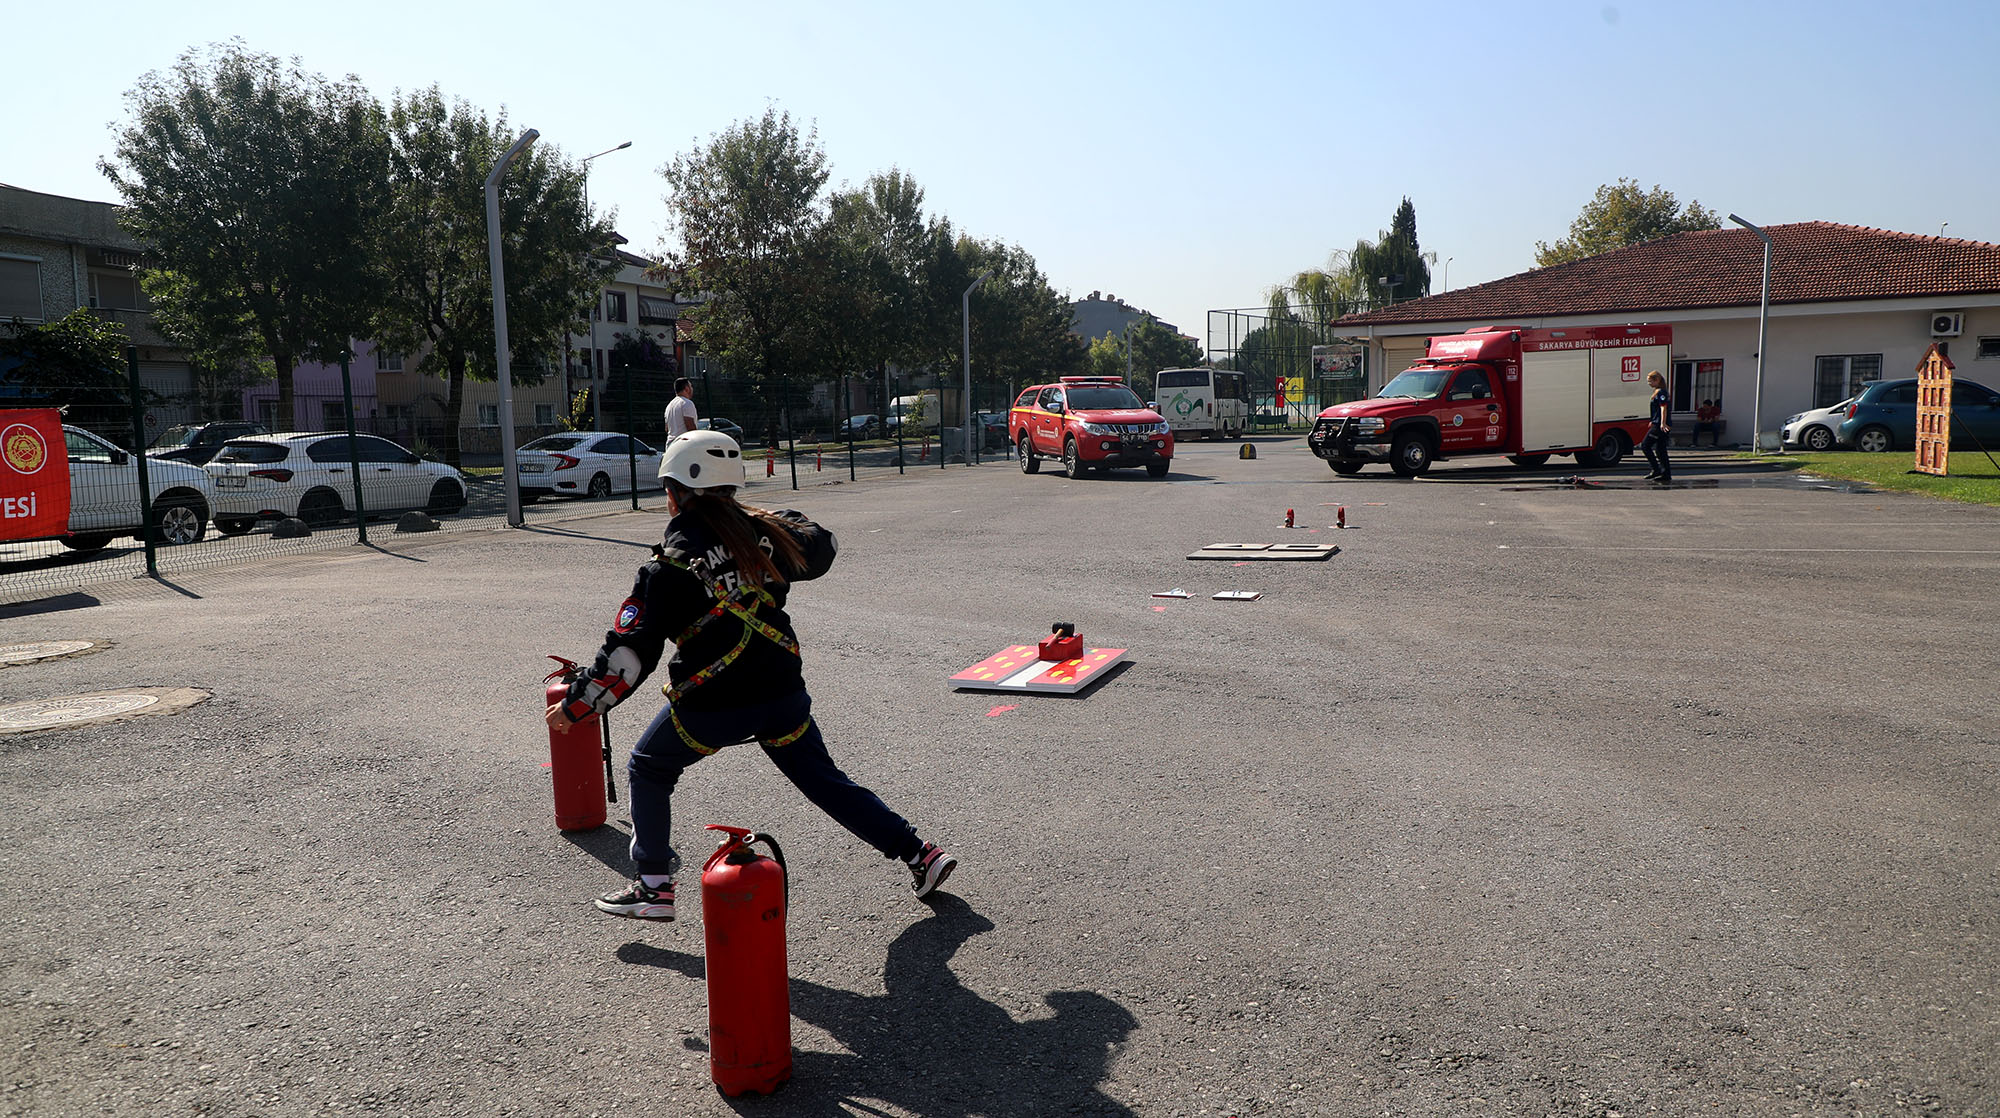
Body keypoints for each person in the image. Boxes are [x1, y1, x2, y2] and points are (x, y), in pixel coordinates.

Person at [546, 431, 956, 921]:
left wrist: (578, 703)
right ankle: (920, 854)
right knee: (823, 780)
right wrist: (766, 521)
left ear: (675, 492)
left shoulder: (667, 566)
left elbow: (628, 657)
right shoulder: (766, 536)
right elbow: (823, 545)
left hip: (712, 703)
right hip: (780, 691)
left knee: (650, 767)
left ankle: (654, 887)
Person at [1641, 370, 1673, 483]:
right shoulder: (1657, 391)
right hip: (1656, 422)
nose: (1649, 383)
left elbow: (1663, 408)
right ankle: (1665, 473)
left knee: (1645, 445)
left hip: (1660, 425)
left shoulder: (1661, 393)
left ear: (1657, 380)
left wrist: (1662, 423)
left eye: (1650, 381)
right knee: (1660, 450)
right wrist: (1652, 420)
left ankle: (1656, 469)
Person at [663, 378, 698, 447]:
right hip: (683, 446)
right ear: (687, 388)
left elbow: (667, 428)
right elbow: (690, 426)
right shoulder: (687, 403)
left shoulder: (669, 406)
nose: (692, 388)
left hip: (670, 446)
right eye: (691, 386)